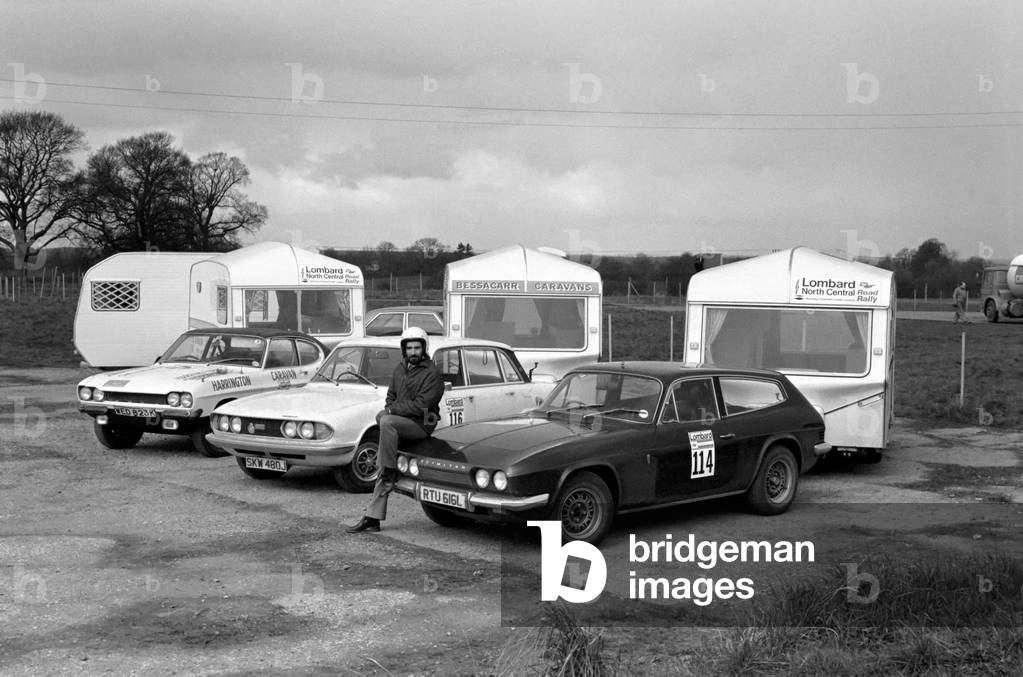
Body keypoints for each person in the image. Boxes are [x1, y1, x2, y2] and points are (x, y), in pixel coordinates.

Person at [346, 326, 445, 533]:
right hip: (400, 422)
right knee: (383, 429)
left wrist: (391, 411)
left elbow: (422, 406)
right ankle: (372, 518)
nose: (413, 352)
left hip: (422, 423)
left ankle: (390, 471)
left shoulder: (432, 374)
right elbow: (390, 396)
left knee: (387, 422)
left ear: (424, 348)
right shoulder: (400, 369)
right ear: (404, 349)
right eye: (409, 348)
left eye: (417, 347)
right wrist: (389, 409)